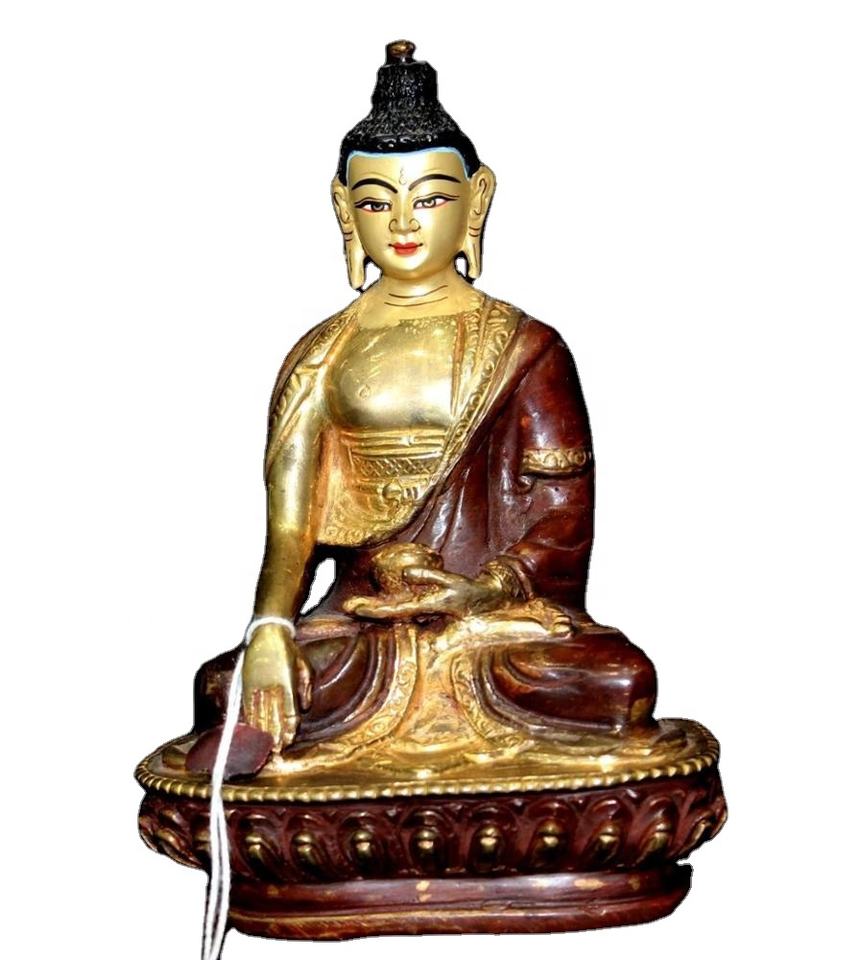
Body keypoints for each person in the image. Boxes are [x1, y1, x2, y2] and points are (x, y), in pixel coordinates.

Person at [192, 40, 658, 765]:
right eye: (376, 202)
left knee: (618, 682)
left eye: (432, 198)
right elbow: (290, 530)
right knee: (227, 688)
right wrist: (271, 632)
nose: (403, 223)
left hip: (491, 623)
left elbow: (562, 515)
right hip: (362, 622)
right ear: (344, 209)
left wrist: (482, 592)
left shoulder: (526, 347)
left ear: (478, 198)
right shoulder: (320, 356)